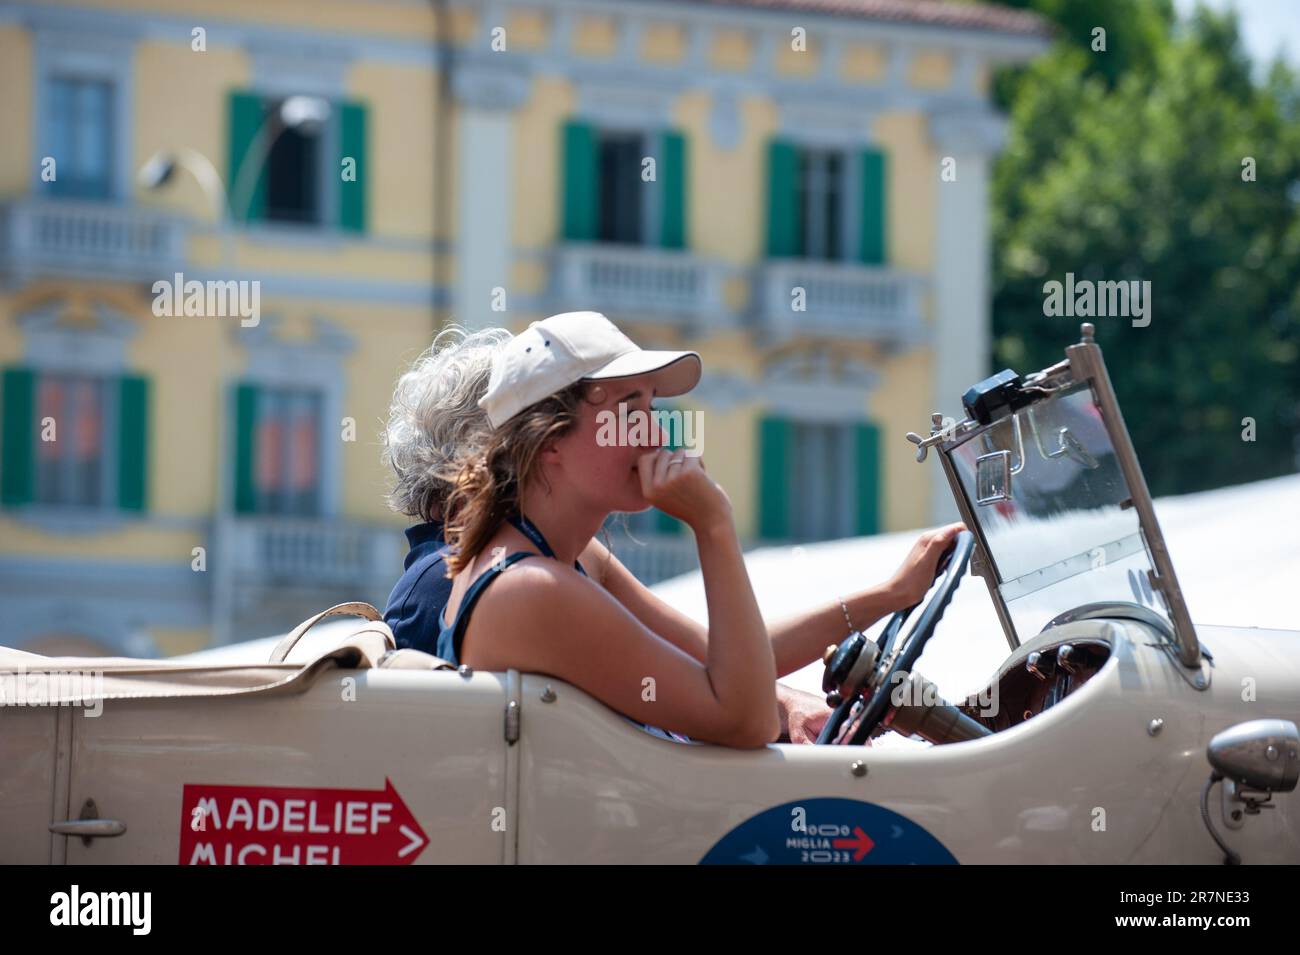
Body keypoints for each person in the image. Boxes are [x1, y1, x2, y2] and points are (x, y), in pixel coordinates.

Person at [433, 311, 963, 748]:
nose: (657, 430)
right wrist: (713, 526)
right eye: (627, 408)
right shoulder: (534, 589)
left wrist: (890, 595)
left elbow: (722, 658)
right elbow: (746, 717)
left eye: (652, 404)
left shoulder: (567, 557)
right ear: (550, 443)